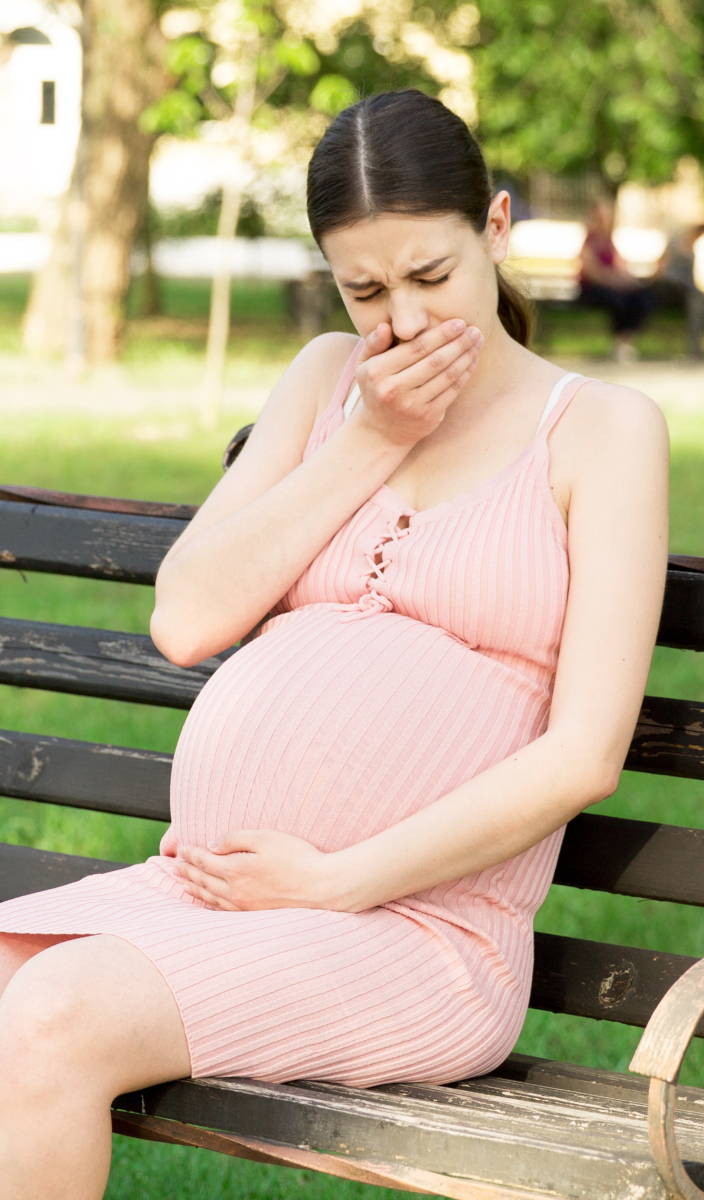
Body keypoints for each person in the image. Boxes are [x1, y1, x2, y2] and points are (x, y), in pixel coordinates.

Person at [0, 90, 668, 1199]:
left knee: (59, 1014)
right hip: (217, 898)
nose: (399, 321)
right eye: (364, 290)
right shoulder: (324, 383)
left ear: (495, 230)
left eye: (429, 277)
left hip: (419, 935)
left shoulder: (598, 431)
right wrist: (371, 436)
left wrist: (335, 880)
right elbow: (186, 617)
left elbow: (582, 754)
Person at [579, 201, 653, 362]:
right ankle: (620, 344)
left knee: (641, 296)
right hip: (592, 288)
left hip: (612, 285)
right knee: (616, 300)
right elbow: (593, 273)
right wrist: (616, 282)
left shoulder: (610, 242)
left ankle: (624, 341)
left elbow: (621, 267)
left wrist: (632, 282)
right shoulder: (589, 242)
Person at [655, 224, 704, 358]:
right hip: (667, 286)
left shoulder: (691, 253)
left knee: (697, 302)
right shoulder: (675, 244)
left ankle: (696, 348)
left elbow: (691, 281)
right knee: (696, 298)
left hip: (684, 290)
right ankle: (696, 348)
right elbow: (661, 266)